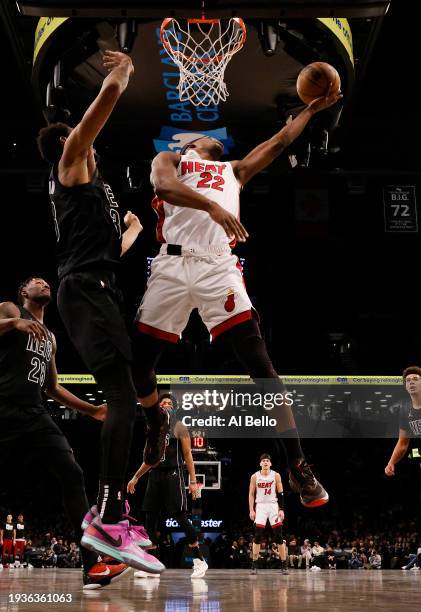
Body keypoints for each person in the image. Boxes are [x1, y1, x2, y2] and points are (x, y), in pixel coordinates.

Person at [132, 87, 342, 507]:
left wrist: (313, 109)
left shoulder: (236, 170)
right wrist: (214, 209)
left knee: (264, 370)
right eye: (200, 137)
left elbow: (282, 140)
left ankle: (298, 466)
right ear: (189, 145)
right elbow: (164, 187)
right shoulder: (171, 159)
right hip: (172, 265)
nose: (210, 138)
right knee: (139, 365)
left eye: (215, 139)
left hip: (217, 266)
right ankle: (156, 424)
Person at [36, 50, 164, 575]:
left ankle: (105, 536)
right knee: (121, 399)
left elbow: (111, 245)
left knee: (132, 391)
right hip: (85, 291)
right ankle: (109, 515)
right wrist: (120, 76)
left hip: (100, 286)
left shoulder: (95, 194)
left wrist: (132, 230)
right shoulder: (70, 166)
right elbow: (95, 116)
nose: (88, 148)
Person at [0, 277, 130, 587]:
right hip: (3, 408)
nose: (43, 283)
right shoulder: (9, 309)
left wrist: (92, 410)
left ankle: (91, 565)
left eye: (46, 283)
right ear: (22, 292)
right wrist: (14, 323)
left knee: (73, 474)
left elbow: (53, 387)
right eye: (35, 282)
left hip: (34, 414)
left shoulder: (51, 338)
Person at [127, 393, 208, 578]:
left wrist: (193, 481)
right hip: (155, 474)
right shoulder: (153, 429)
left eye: (169, 403)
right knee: (150, 517)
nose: (165, 405)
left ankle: (199, 560)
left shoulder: (179, 426)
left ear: (175, 407)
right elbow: (149, 460)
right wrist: (135, 477)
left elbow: (188, 455)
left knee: (179, 516)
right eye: (162, 403)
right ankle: (152, 564)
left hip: (174, 472)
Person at [249, 454, 288, 575]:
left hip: (273, 505)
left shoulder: (275, 475)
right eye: (263, 461)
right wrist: (251, 509)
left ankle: (284, 563)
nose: (265, 462)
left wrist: (281, 509)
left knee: (278, 536)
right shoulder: (255, 476)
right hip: (260, 506)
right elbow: (251, 494)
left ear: (270, 464)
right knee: (257, 536)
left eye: (267, 461)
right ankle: (254, 563)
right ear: (260, 464)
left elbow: (281, 493)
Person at [385, 366, 421, 477]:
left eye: (415, 379)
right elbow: (403, 443)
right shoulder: (405, 410)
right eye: (408, 380)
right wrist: (391, 462)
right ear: (406, 386)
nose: (411, 382)